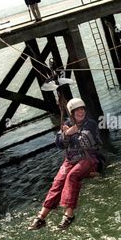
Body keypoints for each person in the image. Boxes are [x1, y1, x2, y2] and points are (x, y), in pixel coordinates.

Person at [28, 98, 105, 230]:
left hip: (90, 158)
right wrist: (67, 134)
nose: (81, 112)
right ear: (71, 112)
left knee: (72, 176)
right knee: (58, 181)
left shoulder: (90, 123)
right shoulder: (67, 124)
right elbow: (59, 144)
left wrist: (71, 133)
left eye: (82, 109)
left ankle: (69, 215)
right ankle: (41, 217)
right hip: (71, 159)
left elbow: (85, 142)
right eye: (77, 110)